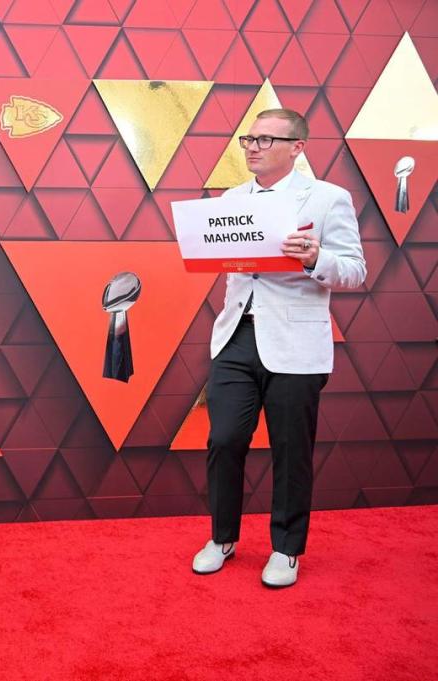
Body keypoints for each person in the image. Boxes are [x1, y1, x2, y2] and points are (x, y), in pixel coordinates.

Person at [191, 109, 366, 587]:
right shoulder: (230, 198)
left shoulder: (329, 198)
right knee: (224, 438)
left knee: (291, 451)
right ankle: (222, 538)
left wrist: (315, 259)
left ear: (297, 147)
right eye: (249, 138)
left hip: (296, 343)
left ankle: (286, 549)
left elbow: (354, 270)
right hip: (234, 337)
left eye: (266, 139)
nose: (252, 146)